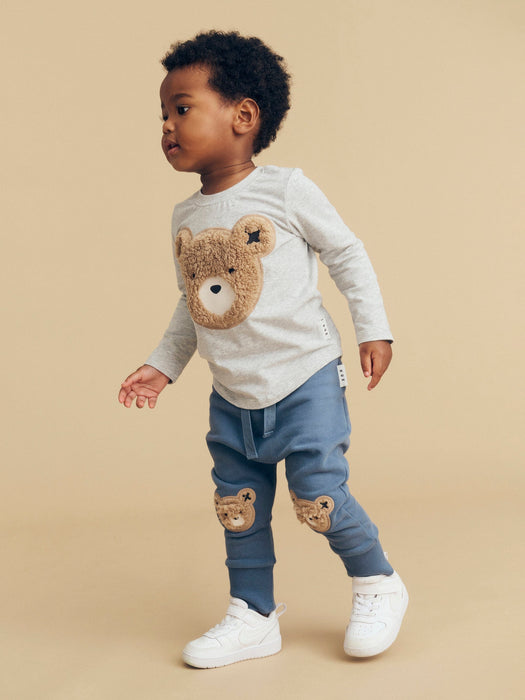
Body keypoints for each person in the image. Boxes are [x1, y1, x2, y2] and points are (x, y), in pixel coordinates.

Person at [118, 30, 408, 668]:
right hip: (232, 391)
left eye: (182, 108)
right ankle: (253, 614)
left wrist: (374, 328)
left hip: (304, 376)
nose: (166, 125)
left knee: (316, 492)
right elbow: (194, 304)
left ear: (243, 116)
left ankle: (377, 581)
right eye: (162, 113)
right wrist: (162, 367)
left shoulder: (285, 190)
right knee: (237, 506)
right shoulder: (184, 217)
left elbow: (347, 254)